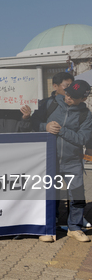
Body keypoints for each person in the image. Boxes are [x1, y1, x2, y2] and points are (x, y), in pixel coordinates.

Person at [41, 80, 92, 243]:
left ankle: (75, 228)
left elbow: (83, 138)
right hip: (50, 160)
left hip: (73, 162)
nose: (68, 97)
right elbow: (33, 124)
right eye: (67, 93)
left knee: (77, 195)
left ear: (83, 99)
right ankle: (49, 228)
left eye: (73, 96)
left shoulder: (86, 114)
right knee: (50, 194)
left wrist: (62, 131)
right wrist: (46, 126)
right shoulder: (51, 104)